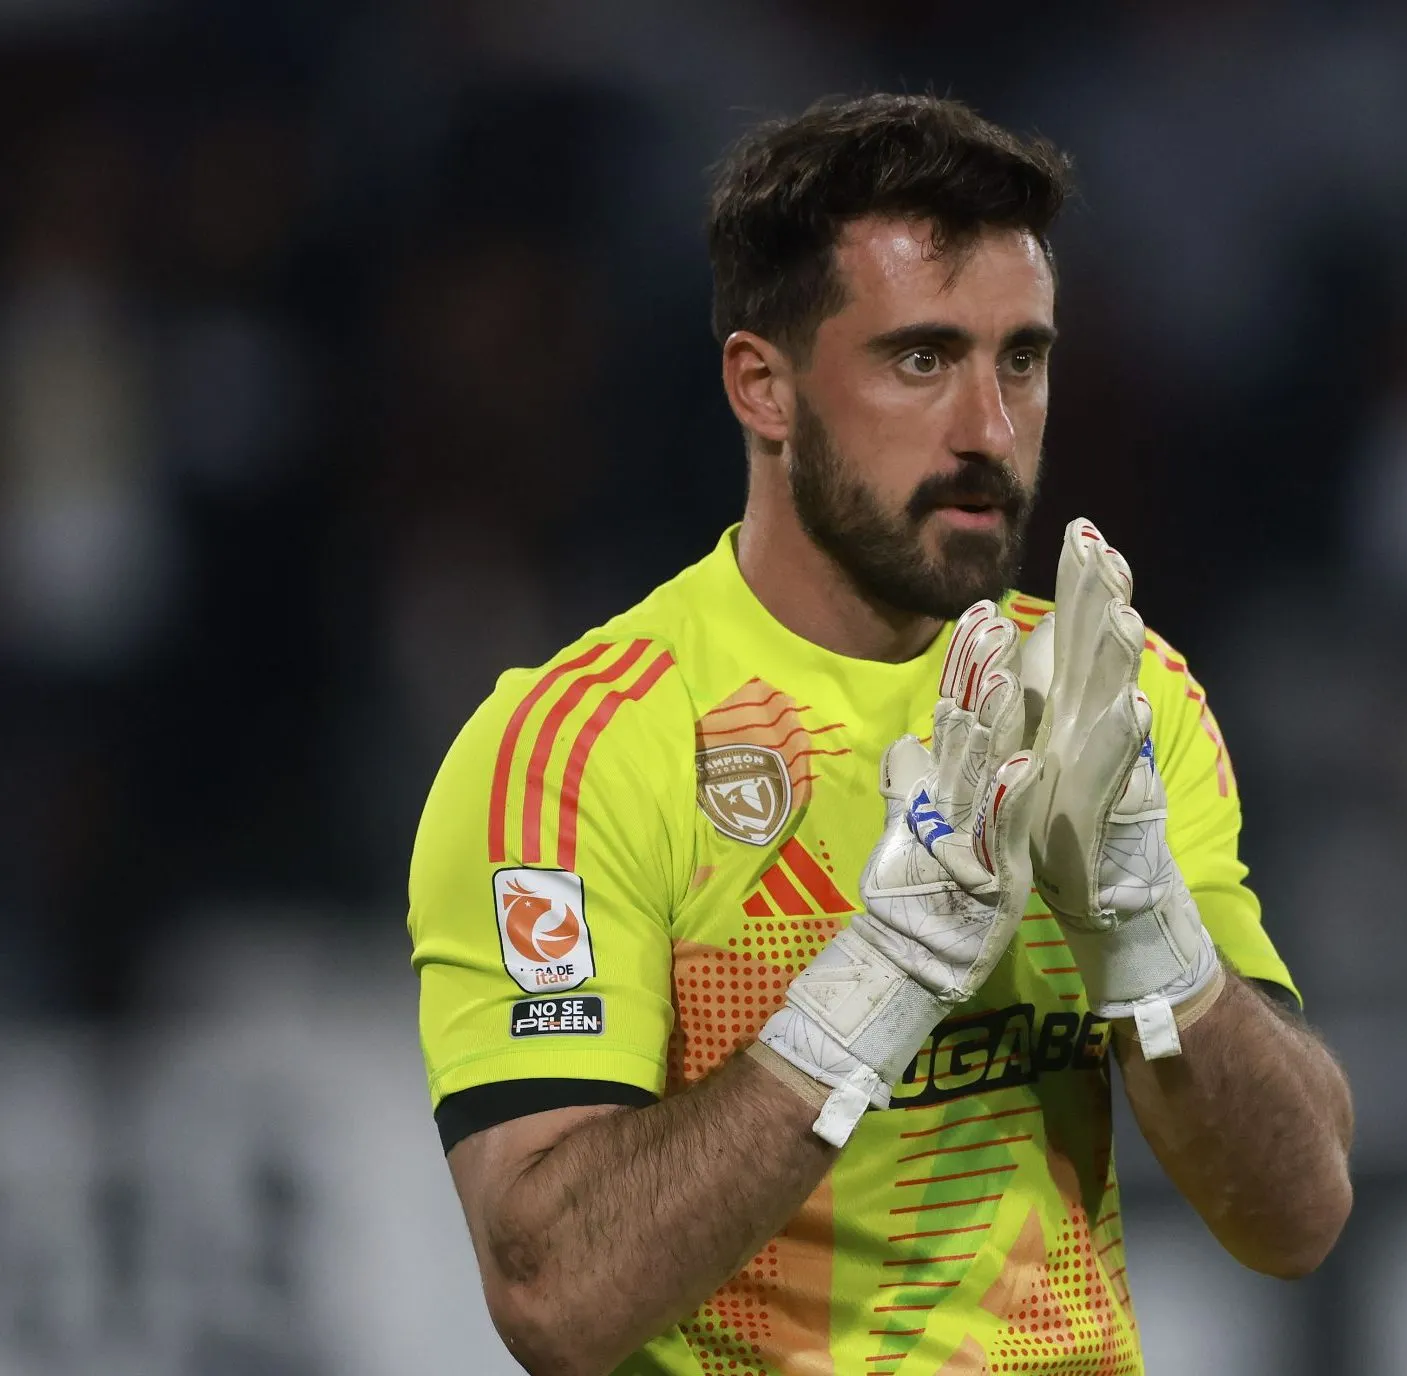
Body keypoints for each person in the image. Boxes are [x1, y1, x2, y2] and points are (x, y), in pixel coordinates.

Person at [406, 93, 1354, 1376]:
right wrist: (882, 971)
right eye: (921, 357)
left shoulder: (1107, 696)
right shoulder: (579, 747)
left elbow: (1296, 1213)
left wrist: (1144, 927)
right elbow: (552, 1295)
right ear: (764, 386)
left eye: (1020, 357)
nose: (988, 428)